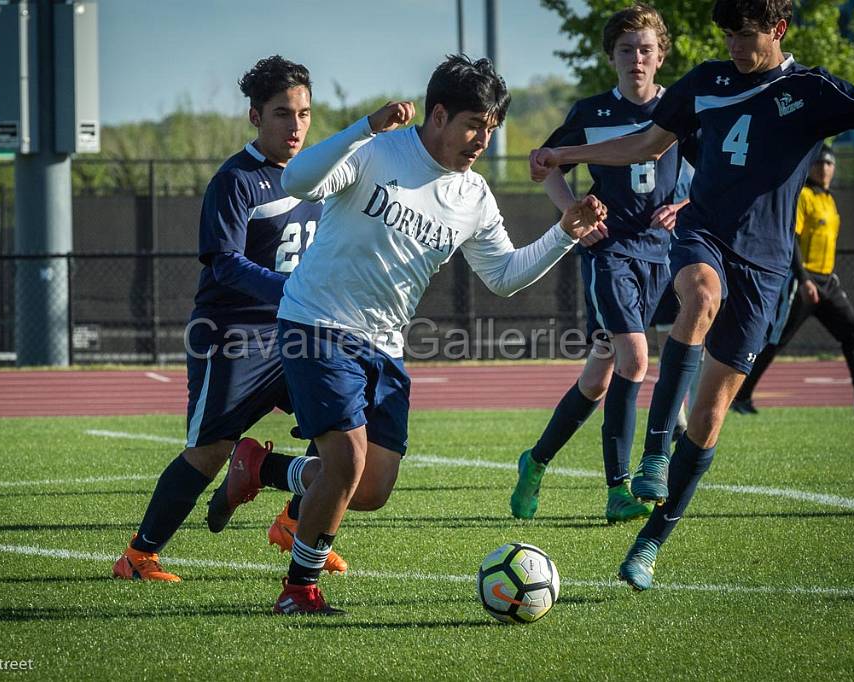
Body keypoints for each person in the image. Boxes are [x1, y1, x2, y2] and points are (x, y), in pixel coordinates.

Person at [530, 0, 854, 590]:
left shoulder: (811, 88)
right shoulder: (705, 80)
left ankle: (652, 540)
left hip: (766, 267)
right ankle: (654, 454)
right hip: (703, 233)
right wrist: (565, 154)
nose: (735, 45)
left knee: (708, 420)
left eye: (747, 35)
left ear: (778, 30)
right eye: (729, 34)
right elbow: (644, 145)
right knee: (700, 297)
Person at [222, 55, 608, 614]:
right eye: (473, 124)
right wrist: (363, 128)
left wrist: (564, 234)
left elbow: (503, 277)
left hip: (385, 343)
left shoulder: (473, 196)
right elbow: (296, 179)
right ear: (439, 115)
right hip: (317, 324)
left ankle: (265, 467)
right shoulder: (380, 149)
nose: (482, 139)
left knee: (372, 489)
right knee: (348, 461)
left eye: (491, 129)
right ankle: (298, 589)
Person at [112, 56, 347, 581]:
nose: (295, 125)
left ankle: (293, 521)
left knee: (346, 418)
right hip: (234, 336)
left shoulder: (321, 175)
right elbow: (223, 261)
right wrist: (291, 290)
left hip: (297, 332)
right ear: (255, 117)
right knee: (209, 452)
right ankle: (138, 555)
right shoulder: (236, 180)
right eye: (282, 113)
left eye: (304, 113)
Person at [509, 3, 689, 525]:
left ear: (661, 57)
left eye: (646, 50)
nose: (637, 58)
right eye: (627, 49)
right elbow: (542, 165)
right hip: (610, 254)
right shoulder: (593, 113)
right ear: (612, 56)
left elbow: (715, 170)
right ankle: (619, 488)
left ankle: (536, 460)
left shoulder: (679, 109)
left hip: (662, 253)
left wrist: (685, 204)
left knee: (600, 376)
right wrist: (575, 216)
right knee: (635, 359)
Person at [731, 144, 854, 414]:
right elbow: (792, 239)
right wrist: (804, 278)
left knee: (853, 333)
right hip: (802, 281)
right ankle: (740, 396)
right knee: (776, 340)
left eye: (829, 164)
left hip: (828, 282)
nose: (824, 168)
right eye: (819, 163)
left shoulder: (829, 199)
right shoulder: (805, 196)